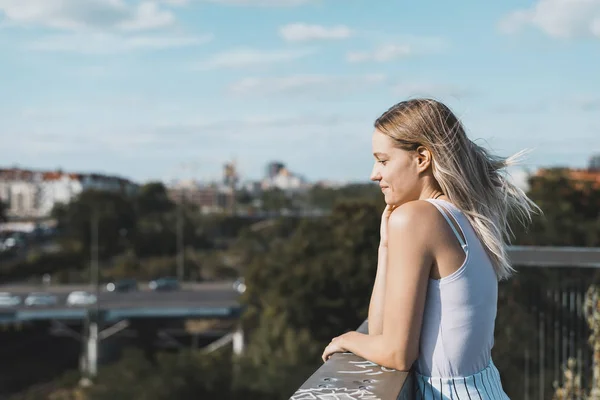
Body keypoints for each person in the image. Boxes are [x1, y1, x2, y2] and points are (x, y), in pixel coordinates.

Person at [321, 98, 539, 399]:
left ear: (422, 158)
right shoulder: (464, 215)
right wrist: (386, 245)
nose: (374, 174)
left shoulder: (417, 218)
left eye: (383, 160)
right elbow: (380, 332)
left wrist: (346, 339)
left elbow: (396, 353)